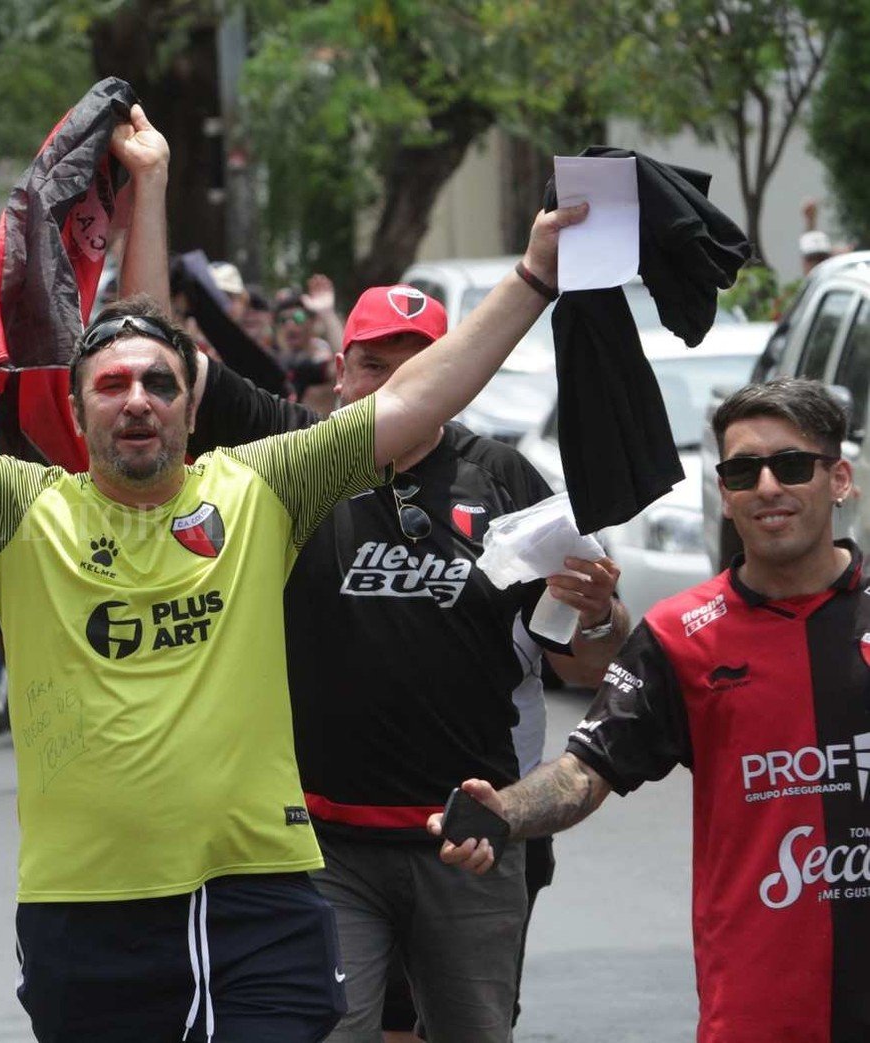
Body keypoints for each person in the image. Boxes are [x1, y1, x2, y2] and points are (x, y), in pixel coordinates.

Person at [0, 103, 591, 1041]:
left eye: (159, 383)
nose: (137, 399)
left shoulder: (260, 487)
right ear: (77, 415)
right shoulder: (19, 510)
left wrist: (533, 277)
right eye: (111, 385)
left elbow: (418, 401)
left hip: (259, 898)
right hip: (85, 907)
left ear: (187, 409)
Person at [186, 284, 629, 1042]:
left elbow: (584, 666)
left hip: (472, 837)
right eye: (373, 363)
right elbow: (173, 364)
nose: (394, 382)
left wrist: (598, 612)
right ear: (338, 370)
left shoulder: (503, 481)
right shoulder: (290, 476)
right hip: (323, 842)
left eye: (419, 363)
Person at [431, 377, 870, 1041]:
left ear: (839, 478)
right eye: (742, 470)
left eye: (791, 465)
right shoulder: (680, 635)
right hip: (760, 1009)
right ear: (723, 494)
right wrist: (507, 811)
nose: (768, 487)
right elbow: (585, 770)